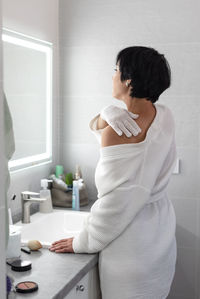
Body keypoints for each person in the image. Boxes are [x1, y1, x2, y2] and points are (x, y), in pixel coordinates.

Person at [50, 46, 177, 299]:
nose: (112, 76)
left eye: (116, 70)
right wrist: (107, 112)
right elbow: (105, 130)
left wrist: (81, 242)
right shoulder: (163, 115)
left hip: (130, 253)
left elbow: (115, 204)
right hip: (159, 240)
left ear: (128, 80)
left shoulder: (117, 133)